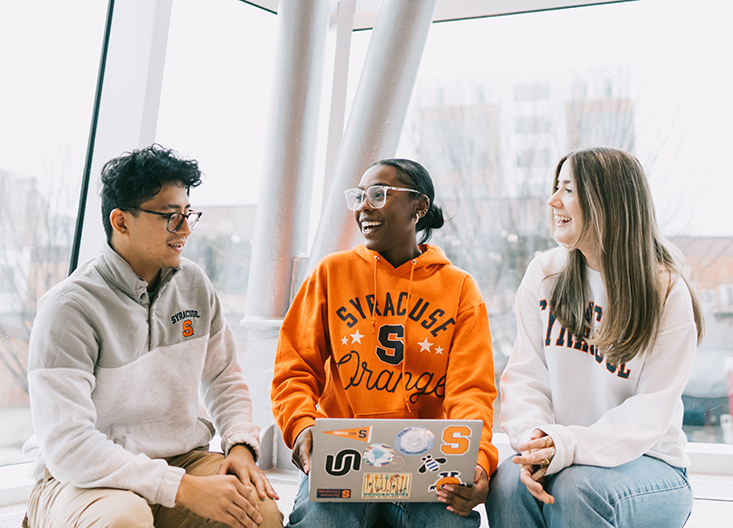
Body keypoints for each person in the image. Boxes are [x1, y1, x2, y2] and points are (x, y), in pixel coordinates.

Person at [23, 145, 283, 528]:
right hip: (85, 478)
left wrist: (241, 446)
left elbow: (225, 377)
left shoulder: (193, 282)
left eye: (188, 214)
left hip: (182, 459)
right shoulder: (68, 309)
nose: (186, 229)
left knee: (259, 513)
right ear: (121, 222)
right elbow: (69, 447)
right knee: (124, 520)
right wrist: (182, 489)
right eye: (170, 217)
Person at [271, 159, 498, 528]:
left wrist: (478, 460)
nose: (364, 205)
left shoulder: (458, 288)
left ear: (419, 207)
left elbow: (471, 389)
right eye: (359, 196)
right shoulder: (331, 273)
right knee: (321, 523)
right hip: (341, 456)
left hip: (425, 462)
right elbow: (294, 367)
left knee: (450, 525)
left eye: (378, 194)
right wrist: (301, 426)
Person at [486, 146, 704, 528]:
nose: (553, 200)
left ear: (607, 201)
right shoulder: (545, 274)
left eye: (569, 190)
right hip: (563, 455)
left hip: (653, 465)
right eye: (557, 187)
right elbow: (525, 377)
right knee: (506, 484)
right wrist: (535, 440)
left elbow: (649, 414)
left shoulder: (665, 290)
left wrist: (567, 446)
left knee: (577, 489)